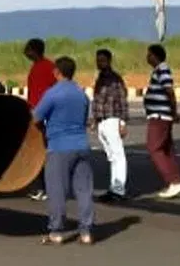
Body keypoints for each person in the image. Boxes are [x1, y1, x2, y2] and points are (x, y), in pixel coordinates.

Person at [33, 56, 95, 245]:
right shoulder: (81, 93)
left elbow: (36, 117)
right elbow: (87, 119)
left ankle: (57, 231)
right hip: (81, 145)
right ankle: (86, 231)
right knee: (84, 190)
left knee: (57, 190)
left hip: (59, 146)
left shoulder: (53, 94)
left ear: (56, 72)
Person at [144, 43, 180, 198]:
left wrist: (174, 111)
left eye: (149, 55)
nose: (147, 57)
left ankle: (174, 182)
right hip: (161, 115)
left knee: (154, 148)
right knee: (167, 149)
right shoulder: (158, 70)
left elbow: (169, 91)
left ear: (155, 56)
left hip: (160, 116)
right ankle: (177, 181)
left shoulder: (162, 69)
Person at [92, 48, 129, 202]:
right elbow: (97, 101)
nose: (99, 63)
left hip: (112, 119)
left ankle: (119, 190)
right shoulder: (100, 78)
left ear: (109, 61)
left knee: (118, 156)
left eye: (102, 60)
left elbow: (122, 100)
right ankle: (114, 188)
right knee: (112, 157)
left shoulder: (115, 79)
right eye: (98, 60)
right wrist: (94, 120)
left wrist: (123, 122)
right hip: (102, 121)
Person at [24, 38, 57, 201]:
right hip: (37, 113)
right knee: (42, 152)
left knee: (44, 152)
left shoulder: (47, 67)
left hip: (43, 115)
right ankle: (44, 187)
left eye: (27, 49)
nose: (25, 52)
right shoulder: (41, 67)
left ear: (34, 50)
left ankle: (46, 187)